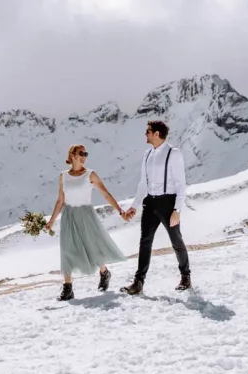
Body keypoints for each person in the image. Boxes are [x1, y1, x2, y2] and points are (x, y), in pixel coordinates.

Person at [45, 144, 128, 301]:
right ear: (72, 155)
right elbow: (60, 200)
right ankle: (68, 288)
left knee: (92, 247)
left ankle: (104, 272)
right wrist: (51, 221)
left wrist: (120, 211)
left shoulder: (90, 175)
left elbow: (106, 194)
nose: (84, 156)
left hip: (86, 214)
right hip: (69, 215)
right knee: (67, 249)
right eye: (81, 153)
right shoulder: (63, 175)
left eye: (86, 153)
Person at [120, 120, 192, 294]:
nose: (146, 134)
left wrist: (177, 210)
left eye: (148, 131)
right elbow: (143, 183)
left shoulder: (173, 153)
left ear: (157, 134)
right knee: (145, 242)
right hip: (150, 203)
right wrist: (134, 206)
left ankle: (185, 277)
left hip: (168, 203)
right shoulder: (147, 154)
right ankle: (138, 283)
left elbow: (181, 183)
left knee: (176, 241)